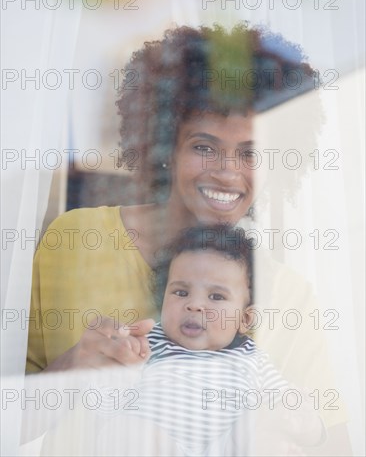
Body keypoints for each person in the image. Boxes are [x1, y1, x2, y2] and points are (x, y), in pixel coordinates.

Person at [25, 24, 350, 455]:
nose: (226, 172)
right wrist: (72, 368)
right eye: (204, 146)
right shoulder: (77, 240)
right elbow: (13, 422)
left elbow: (333, 445)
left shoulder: (287, 295)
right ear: (165, 146)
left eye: (251, 153)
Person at [95, 225, 325, 456]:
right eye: (181, 292)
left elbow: (290, 414)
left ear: (245, 319)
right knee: (124, 429)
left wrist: (304, 422)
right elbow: (105, 408)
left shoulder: (251, 358)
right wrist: (118, 370)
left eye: (216, 296)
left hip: (228, 449)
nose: (194, 305)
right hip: (161, 447)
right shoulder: (149, 344)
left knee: (267, 421)